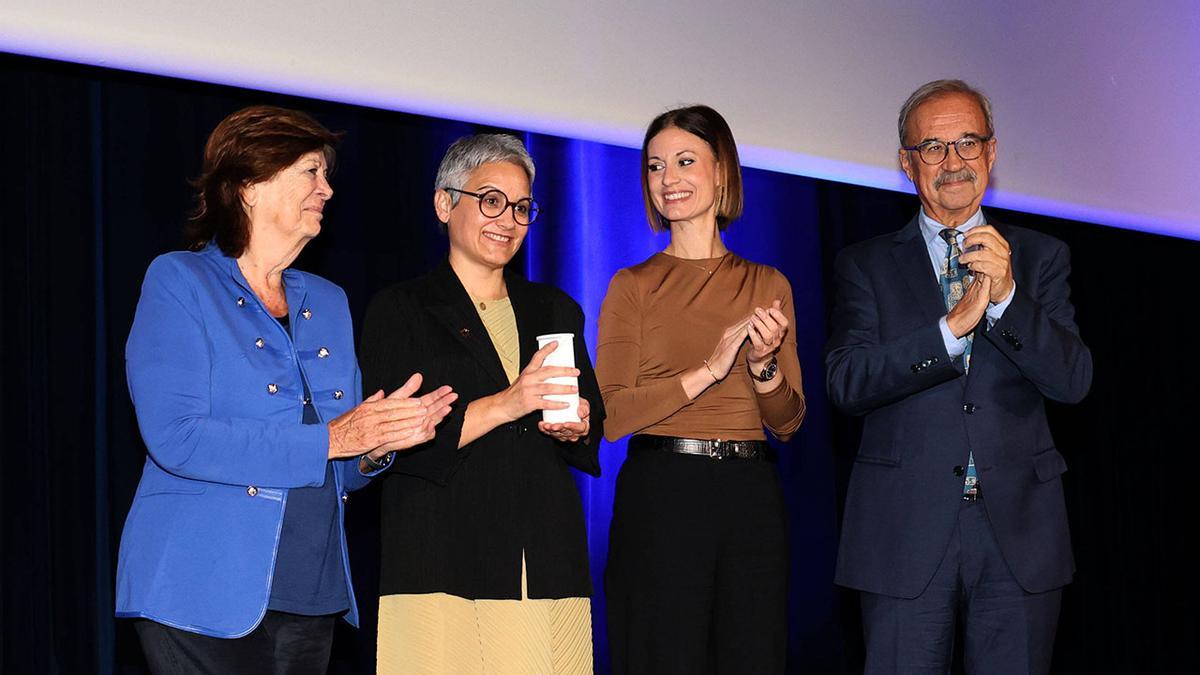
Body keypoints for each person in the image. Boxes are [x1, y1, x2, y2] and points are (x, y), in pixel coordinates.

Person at [116, 105, 456, 672]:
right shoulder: (179, 280)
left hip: (312, 591)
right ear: (248, 185)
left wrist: (375, 445)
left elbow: (337, 464)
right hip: (199, 589)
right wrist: (332, 439)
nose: (326, 189)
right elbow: (176, 438)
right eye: (310, 171)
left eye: (326, 175)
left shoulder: (328, 300)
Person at [826, 80, 1093, 673]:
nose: (953, 162)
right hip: (903, 531)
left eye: (967, 143)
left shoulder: (1041, 256)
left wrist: (1006, 299)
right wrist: (949, 331)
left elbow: (1073, 380)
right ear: (907, 162)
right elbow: (847, 382)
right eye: (933, 147)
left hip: (1019, 534)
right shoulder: (865, 264)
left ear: (991, 153)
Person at [359, 133, 604, 674]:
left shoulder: (555, 308)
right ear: (445, 203)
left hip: (542, 558)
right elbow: (397, 437)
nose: (508, 220)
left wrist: (578, 426)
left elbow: (592, 417)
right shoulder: (400, 309)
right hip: (441, 558)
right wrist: (508, 403)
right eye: (490, 200)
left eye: (521, 208)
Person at [596, 105, 807, 673]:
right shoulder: (632, 285)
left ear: (722, 172)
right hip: (663, 494)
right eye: (655, 166)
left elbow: (788, 423)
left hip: (750, 496)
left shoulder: (768, 283)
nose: (668, 179)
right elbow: (611, 415)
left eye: (685, 161)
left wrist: (762, 368)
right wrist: (709, 370)